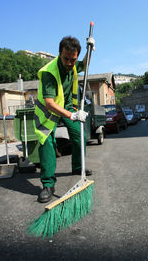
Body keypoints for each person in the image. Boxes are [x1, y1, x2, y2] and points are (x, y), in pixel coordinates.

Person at [33, 35, 95, 203]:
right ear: (59, 54)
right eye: (66, 59)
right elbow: (49, 102)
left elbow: (84, 64)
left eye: (73, 60)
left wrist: (90, 51)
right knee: (47, 144)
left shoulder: (73, 66)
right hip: (48, 112)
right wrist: (72, 115)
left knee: (79, 135)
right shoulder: (49, 73)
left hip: (66, 107)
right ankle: (48, 184)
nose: (69, 63)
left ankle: (77, 167)